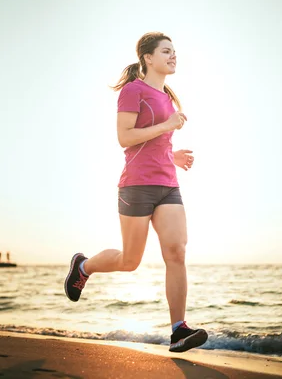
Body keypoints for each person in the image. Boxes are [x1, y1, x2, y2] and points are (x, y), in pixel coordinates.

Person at [64, 32, 207, 353]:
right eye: (166, 51)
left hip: (168, 185)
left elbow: (154, 145)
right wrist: (167, 126)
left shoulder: (167, 96)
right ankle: (83, 267)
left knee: (177, 252)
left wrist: (174, 156)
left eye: (174, 51)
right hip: (136, 186)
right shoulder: (133, 91)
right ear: (148, 58)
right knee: (130, 261)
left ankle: (179, 330)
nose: (173, 56)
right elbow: (125, 138)